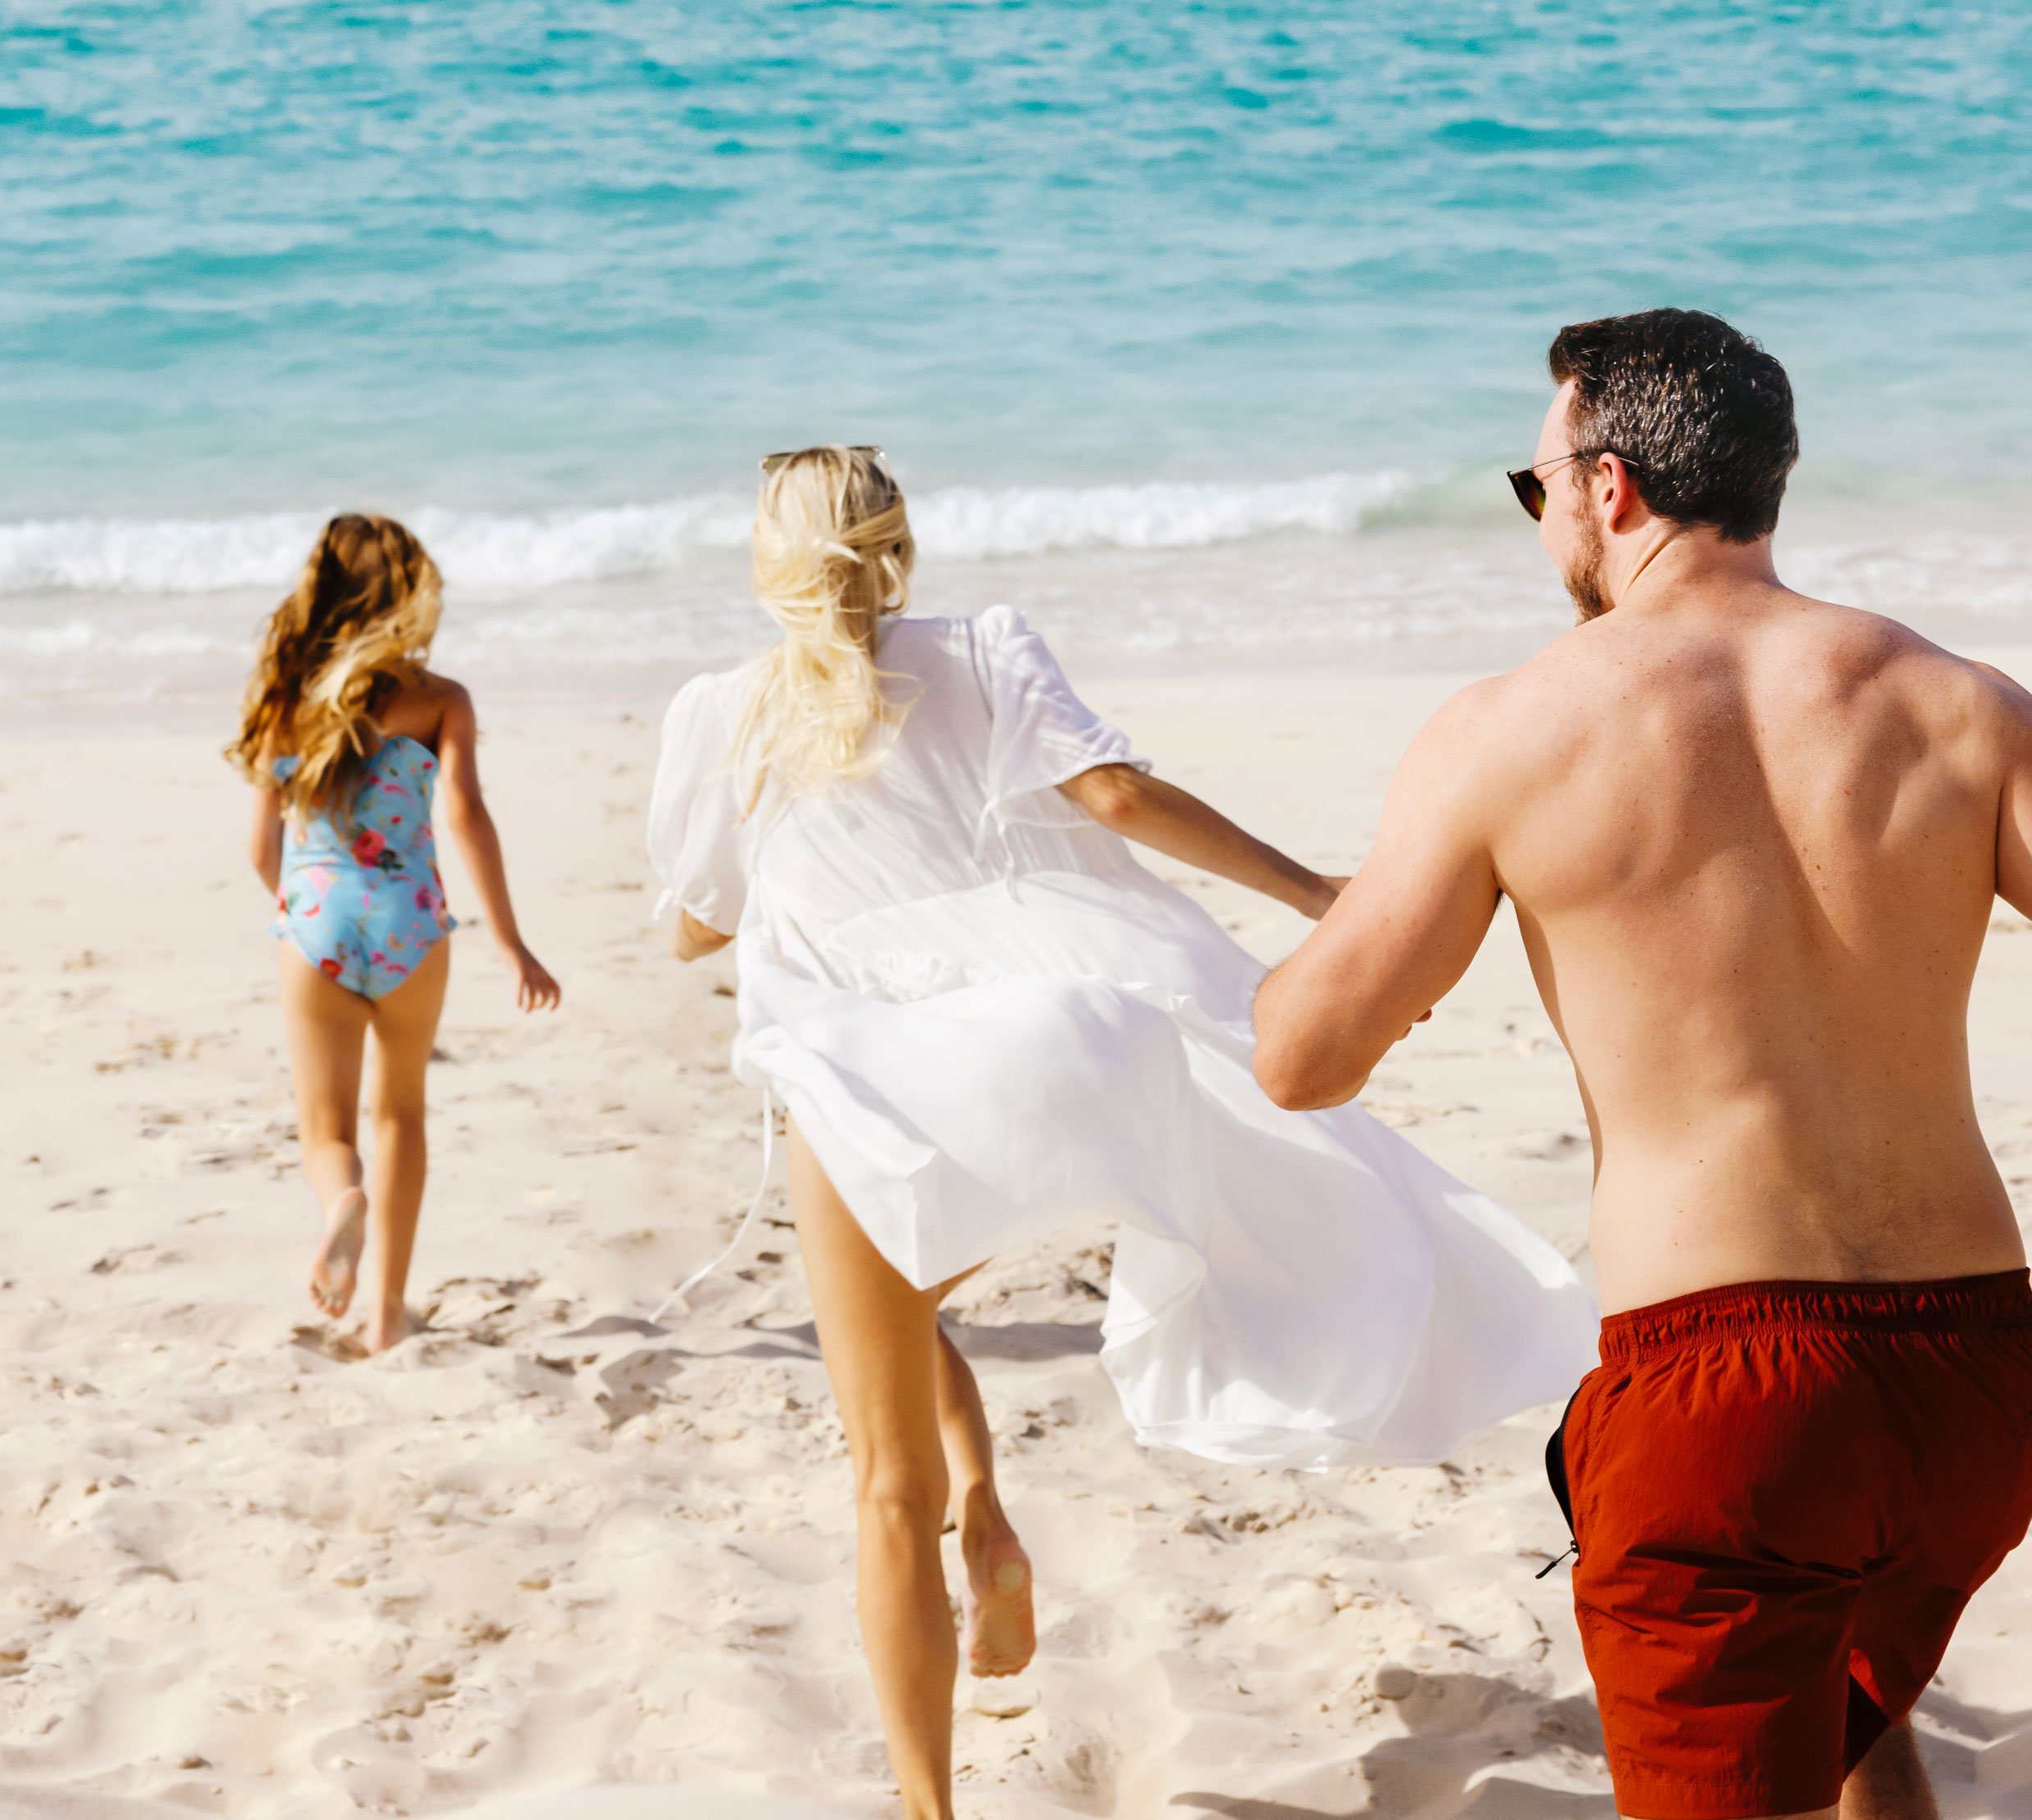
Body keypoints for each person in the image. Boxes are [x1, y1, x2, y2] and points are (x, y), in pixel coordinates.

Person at [1253, 312, 2032, 1820]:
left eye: (1534, 493)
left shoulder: (1509, 730)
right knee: (1852, 1711)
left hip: (1719, 1402)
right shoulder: (1958, 705)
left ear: (1610, 490)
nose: (1541, 532)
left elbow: (1303, 1061)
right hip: (1977, 1392)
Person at [654, 448, 1595, 1820]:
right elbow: (1116, 798)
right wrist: (1313, 894)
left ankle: (929, 1789)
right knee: (915, 1320)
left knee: (877, 1474)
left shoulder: (723, 715)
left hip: (878, 1081)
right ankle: (989, 1506)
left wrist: (772, 868)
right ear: (899, 545)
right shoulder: (982, 645)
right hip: (1057, 1044)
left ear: (767, 561)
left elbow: (695, 926)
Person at [228, 514, 559, 1358]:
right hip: (412, 924)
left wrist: (302, 907)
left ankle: (344, 1202)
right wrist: (511, 943)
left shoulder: (285, 696)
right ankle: (384, 1313)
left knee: (325, 1128)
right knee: (401, 1110)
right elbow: (466, 816)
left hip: (318, 924)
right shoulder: (439, 697)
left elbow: (260, 848)